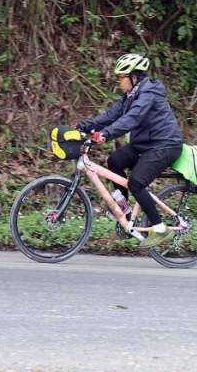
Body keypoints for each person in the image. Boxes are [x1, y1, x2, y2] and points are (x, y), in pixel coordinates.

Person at [76, 53, 184, 249]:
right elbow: (111, 115)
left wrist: (105, 134)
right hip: (145, 144)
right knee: (115, 161)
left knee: (136, 182)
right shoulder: (130, 96)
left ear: (134, 77)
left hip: (165, 145)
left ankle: (159, 227)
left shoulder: (148, 94)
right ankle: (124, 210)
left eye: (122, 78)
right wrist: (85, 125)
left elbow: (132, 119)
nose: (119, 82)